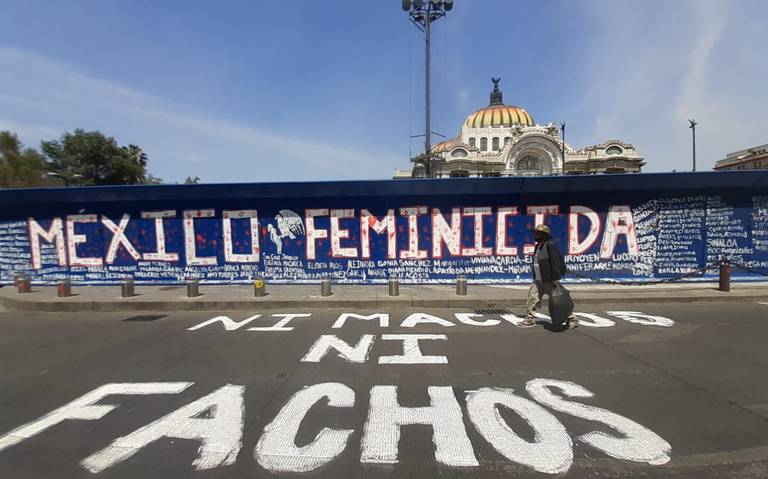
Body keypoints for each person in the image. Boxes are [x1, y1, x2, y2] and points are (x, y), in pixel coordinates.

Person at [519, 224, 578, 329]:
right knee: (532, 299)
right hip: (538, 280)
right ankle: (529, 319)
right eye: (535, 233)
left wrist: (555, 277)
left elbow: (554, 262)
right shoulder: (538, 246)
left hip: (549, 280)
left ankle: (571, 318)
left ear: (544, 235)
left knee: (558, 301)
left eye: (538, 233)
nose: (536, 235)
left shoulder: (550, 245)